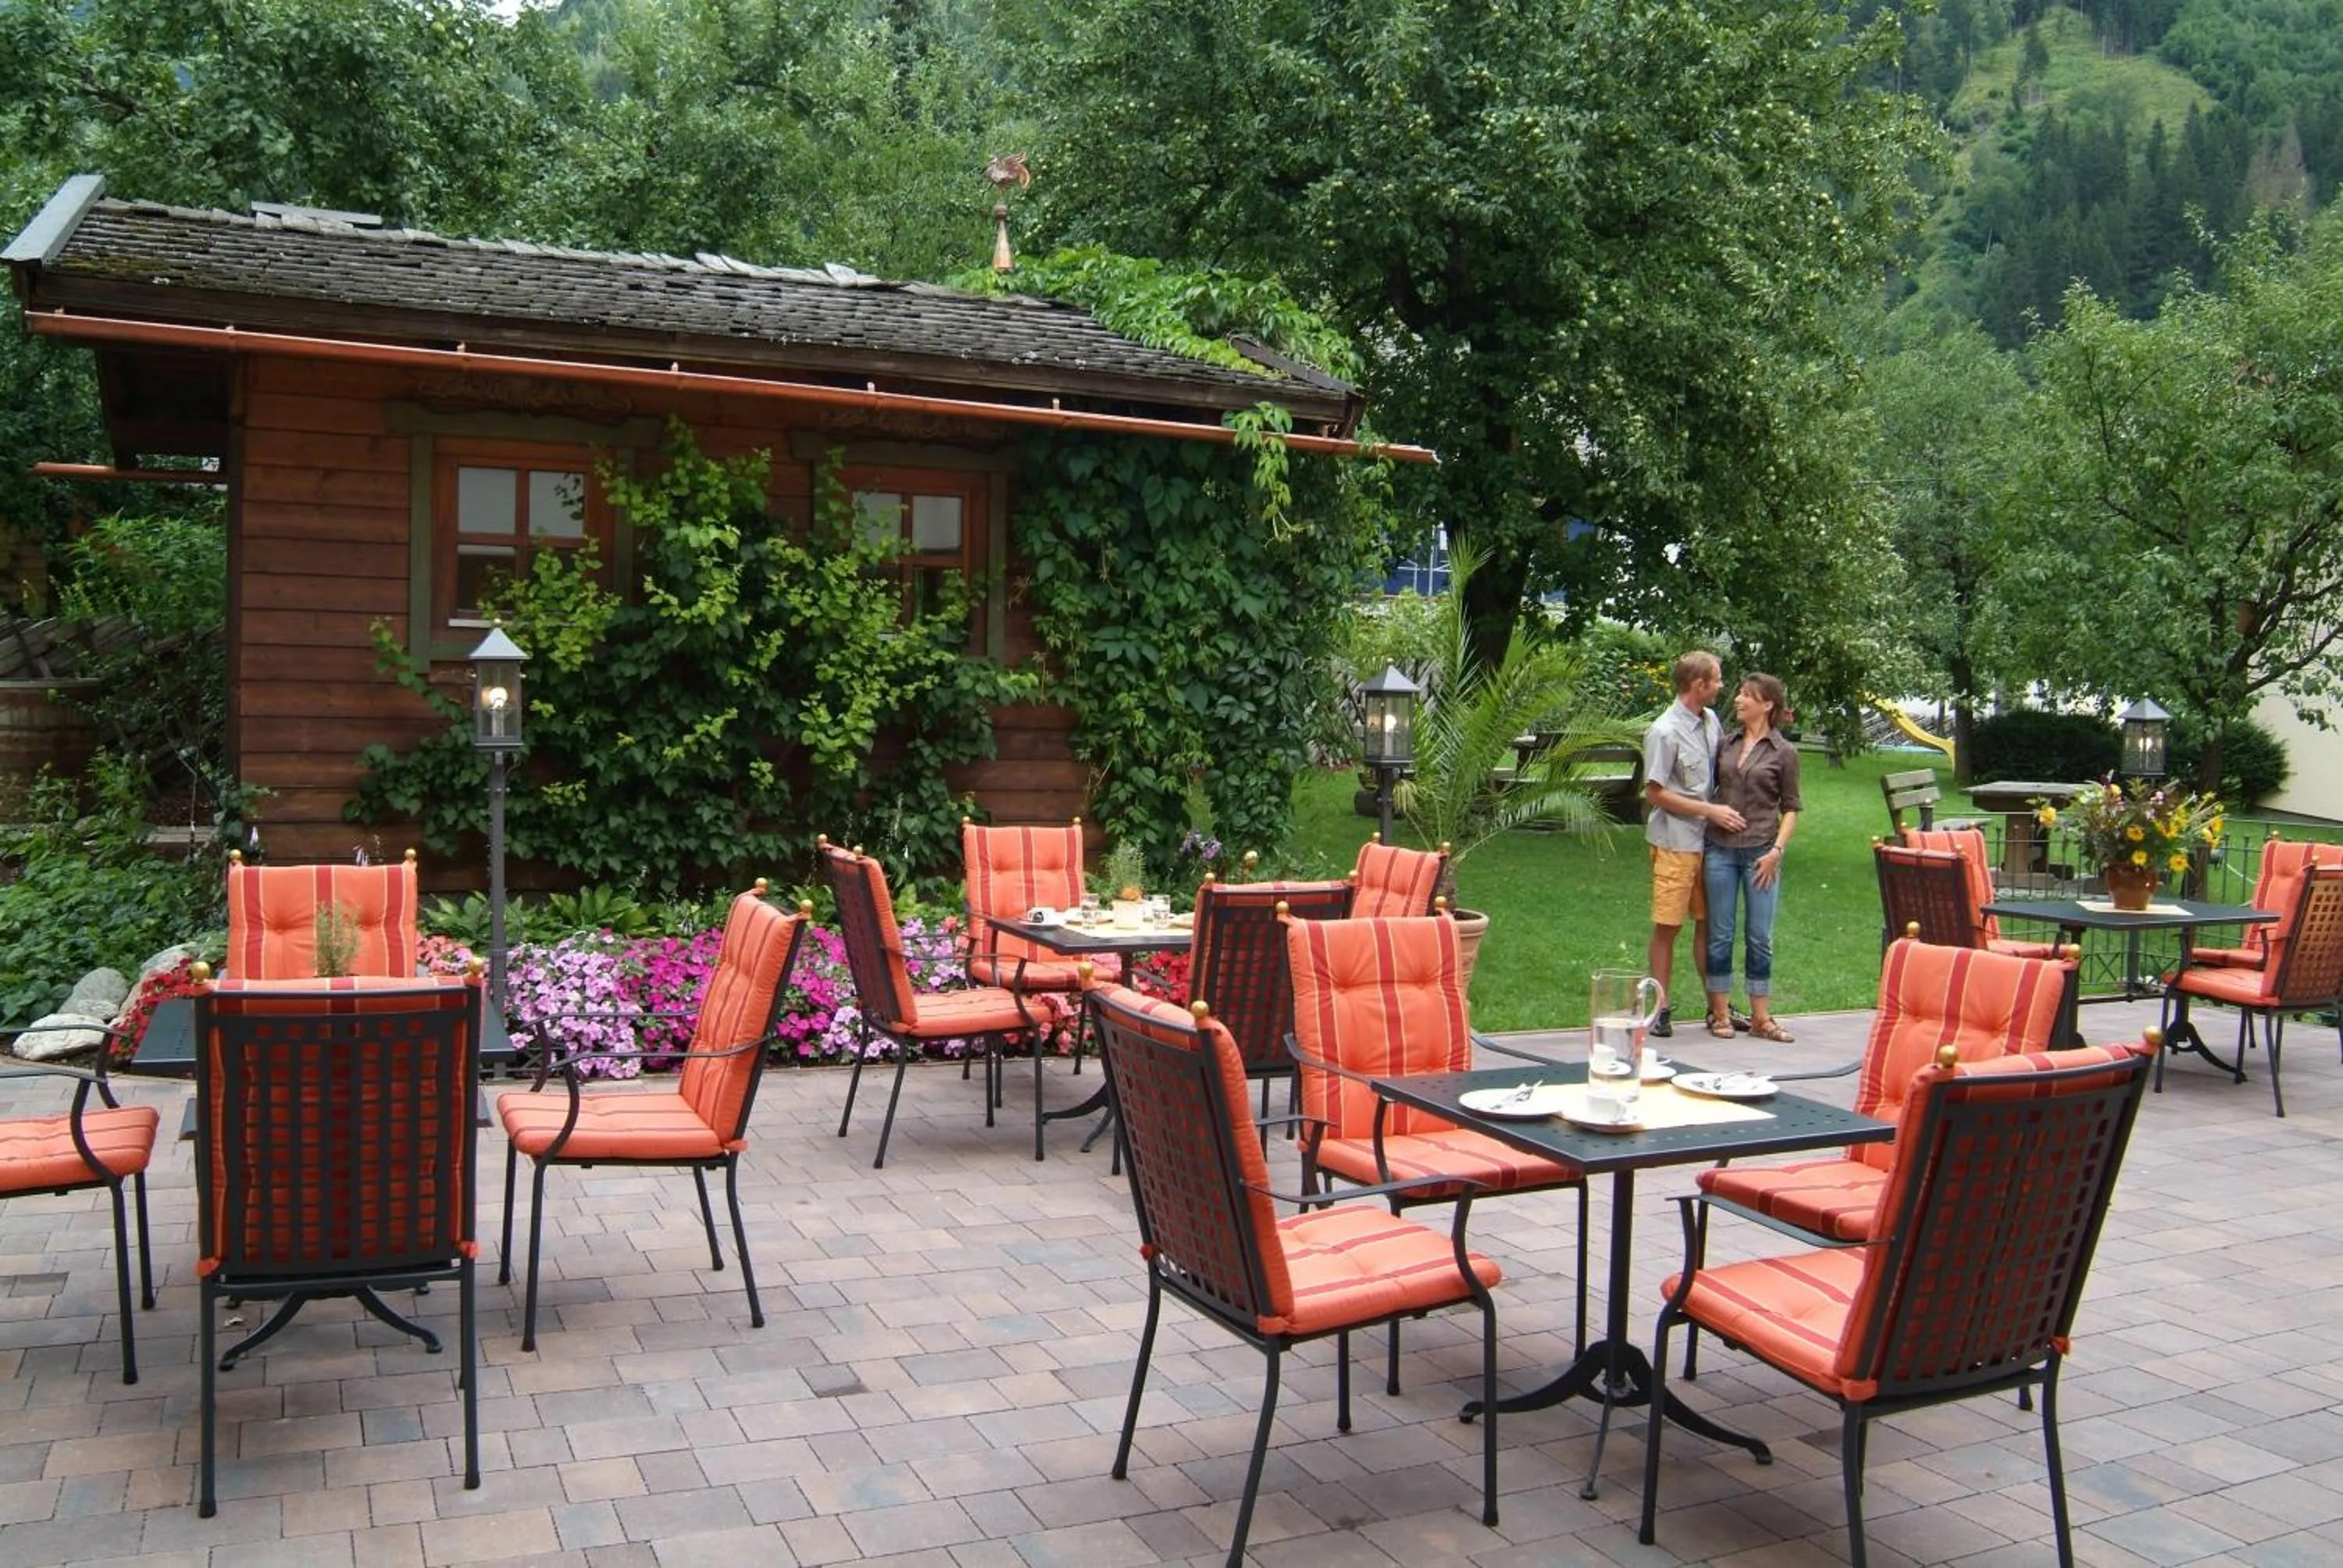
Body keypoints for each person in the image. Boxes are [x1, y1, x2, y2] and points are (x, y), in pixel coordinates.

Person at [1642, 651, 1742, 1037]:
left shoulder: (1711, 720)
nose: (1721, 686)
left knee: (1708, 923)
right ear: (1698, 685)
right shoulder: (1664, 731)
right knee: (1668, 926)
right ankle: (1660, 1008)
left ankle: (1716, 1005)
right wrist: (1709, 811)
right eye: (1716, 680)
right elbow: (1655, 792)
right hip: (1675, 843)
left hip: (1709, 843)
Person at [1702, 672, 1801, 1042]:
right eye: (1740, 694)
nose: (1739, 700)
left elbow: (1791, 808)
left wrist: (1777, 851)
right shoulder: (1725, 744)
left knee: (1759, 936)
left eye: (1747, 695)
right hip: (1721, 851)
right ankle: (1721, 1014)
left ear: (1767, 704)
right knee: (1719, 934)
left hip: (1761, 852)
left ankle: (1761, 1018)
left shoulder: (1784, 752)